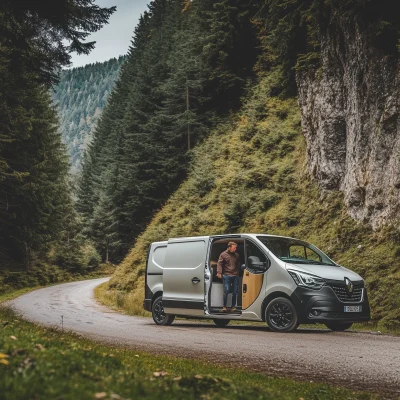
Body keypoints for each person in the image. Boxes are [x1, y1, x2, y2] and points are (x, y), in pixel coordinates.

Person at [217, 241, 240, 312]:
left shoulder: (236, 255)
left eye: (235, 248)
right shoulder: (223, 254)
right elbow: (219, 263)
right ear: (229, 248)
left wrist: (238, 272)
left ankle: (233, 307)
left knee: (235, 291)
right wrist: (219, 272)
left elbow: (238, 264)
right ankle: (224, 307)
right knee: (226, 290)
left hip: (235, 275)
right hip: (226, 275)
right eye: (234, 248)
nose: (235, 249)